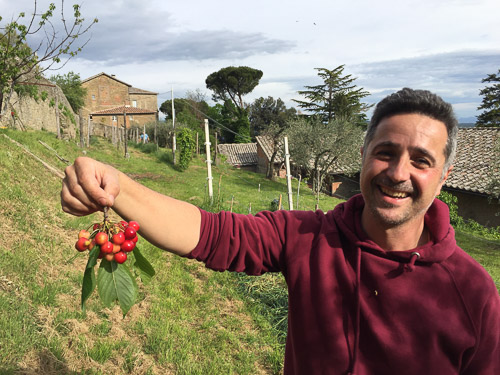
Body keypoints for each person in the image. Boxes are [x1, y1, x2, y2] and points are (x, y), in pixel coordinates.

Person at [61, 88, 499, 375]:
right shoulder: (310, 239)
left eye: (421, 160)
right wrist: (115, 186)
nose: (398, 172)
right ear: (364, 156)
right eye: (385, 152)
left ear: (445, 176)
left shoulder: (474, 294)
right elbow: (211, 233)